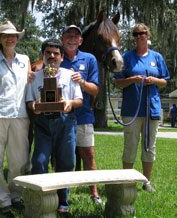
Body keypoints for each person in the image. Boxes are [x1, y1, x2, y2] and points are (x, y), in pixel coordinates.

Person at [0, 20, 31, 216]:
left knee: (19, 160)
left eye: (13, 35)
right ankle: (2, 200)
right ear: (0, 40)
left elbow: (32, 82)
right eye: (6, 36)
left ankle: (16, 195)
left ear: (17, 39)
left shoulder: (25, 60)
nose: (10, 39)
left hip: (20, 116)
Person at [26, 38, 83, 213]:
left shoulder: (70, 75)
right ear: (43, 55)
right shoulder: (35, 77)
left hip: (65, 123)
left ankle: (62, 201)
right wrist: (34, 106)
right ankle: (41, 198)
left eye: (55, 53)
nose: (52, 56)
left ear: (62, 56)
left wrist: (70, 104)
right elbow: (29, 100)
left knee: (66, 162)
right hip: (43, 124)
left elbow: (79, 100)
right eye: (48, 53)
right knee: (39, 161)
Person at [114, 23, 170, 192]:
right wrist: (132, 79)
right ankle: (128, 182)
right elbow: (118, 82)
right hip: (132, 110)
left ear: (148, 35)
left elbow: (165, 81)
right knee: (130, 146)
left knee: (149, 146)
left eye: (142, 33)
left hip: (151, 109)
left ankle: (146, 182)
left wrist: (154, 81)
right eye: (136, 34)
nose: (139, 36)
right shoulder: (126, 57)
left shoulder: (157, 57)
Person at [60, 25, 103, 204]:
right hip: (60, 117)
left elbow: (95, 90)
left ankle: (94, 193)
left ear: (81, 41)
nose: (72, 38)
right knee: (62, 156)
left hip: (83, 116)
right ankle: (61, 194)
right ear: (62, 39)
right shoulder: (55, 57)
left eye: (75, 36)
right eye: (68, 35)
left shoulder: (90, 59)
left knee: (88, 155)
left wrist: (82, 82)